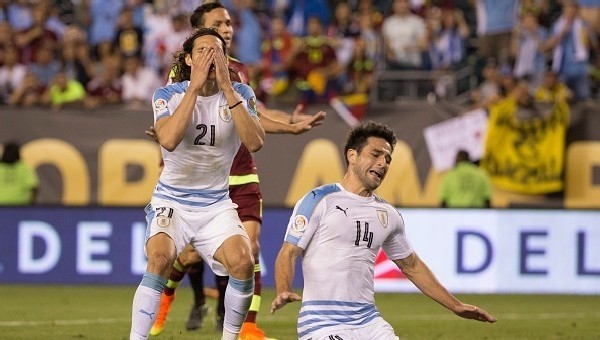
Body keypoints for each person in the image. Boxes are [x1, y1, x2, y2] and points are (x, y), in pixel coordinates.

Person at [148, 2, 326, 339]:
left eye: (228, 23)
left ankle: (246, 327)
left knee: (249, 249)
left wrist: (290, 123)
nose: (227, 28)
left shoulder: (237, 73)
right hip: (197, 180)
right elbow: (176, 118)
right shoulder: (181, 75)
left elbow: (254, 113)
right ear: (199, 29)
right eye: (219, 23)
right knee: (186, 256)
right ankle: (167, 297)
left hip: (240, 171)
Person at [270, 121, 497, 340]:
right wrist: (283, 289)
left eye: (388, 159)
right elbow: (288, 253)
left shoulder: (388, 215)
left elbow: (412, 266)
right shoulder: (318, 200)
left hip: (369, 322)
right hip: (322, 322)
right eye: (376, 154)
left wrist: (455, 306)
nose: (383, 163)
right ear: (352, 156)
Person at [129, 27, 265, 340]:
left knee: (244, 263)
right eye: (202, 50)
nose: (209, 55)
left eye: (216, 50)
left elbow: (256, 142)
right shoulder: (168, 95)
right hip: (172, 201)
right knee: (161, 259)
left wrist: (229, 90)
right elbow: (168, 139)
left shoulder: (242, 94)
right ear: (189, 59)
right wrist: (194, 89)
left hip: (216, 204)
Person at [0, 141, 39, 205]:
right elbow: (33, 187)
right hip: (20, 206)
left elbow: (33, 187)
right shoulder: (23, 168)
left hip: (2, 205)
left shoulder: (23, 167)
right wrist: (32, 204)